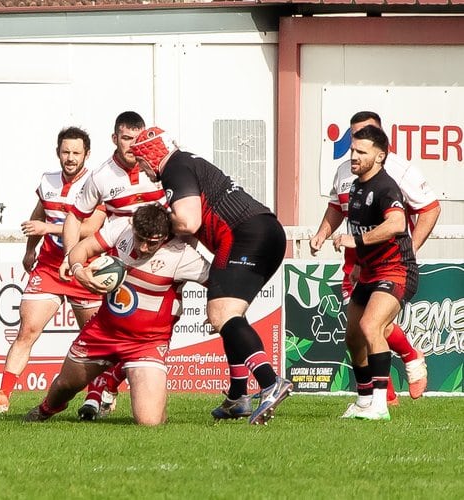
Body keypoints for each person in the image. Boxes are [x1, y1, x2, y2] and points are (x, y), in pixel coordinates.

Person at [130, 126, 290, 425]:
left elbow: (188, 223)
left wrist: (162, 222)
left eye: (140, 162)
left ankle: (270, 382)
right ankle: (238, 396)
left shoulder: (174, 168)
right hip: (267, 232)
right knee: (228, 316)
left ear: (150, 156)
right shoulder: (187, 163)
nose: (140, 169)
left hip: (243, 234)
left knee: (221, 315)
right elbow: (192, 232)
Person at [24, 204, 210, 426]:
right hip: (102, 332)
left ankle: (116, 375)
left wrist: (219, 311)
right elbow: (81, 250)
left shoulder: (181, 255)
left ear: (166, 236)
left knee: (149, 422)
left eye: (152, 242)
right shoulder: (121, 227)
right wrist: (78, 271)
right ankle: (45, 409)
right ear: (133, 227)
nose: (143, 247)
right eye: (140, 238)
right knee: (65, 385)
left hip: (147, 343)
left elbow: (222, 283)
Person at [310, 111, 438, 402]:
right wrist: (322, 233)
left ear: (380, 144)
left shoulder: (396, 173)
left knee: (372, 326)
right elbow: (337, 207)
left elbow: (428, 208)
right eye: (353, 141)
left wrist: (411, 247)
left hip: (390, 262)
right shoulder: (348, 174)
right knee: (358, 335)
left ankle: (391, 384)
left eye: (363, 141)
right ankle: (376, 398)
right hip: (359, 263)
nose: (355, 150)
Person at [0, 127, 105, 414]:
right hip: (49, 267)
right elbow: (38, 215)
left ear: (87, 154)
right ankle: (4, 394)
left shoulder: (96, 183)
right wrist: (29, 249)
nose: (70, 158)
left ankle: (96, 398)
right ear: (57, 152)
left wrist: (46, 228)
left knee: (93, 337)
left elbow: (88, 228)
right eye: (65, 152)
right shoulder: (48, 181)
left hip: (83, 268)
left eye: (76, 153)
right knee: (28, 329)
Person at [58, 111, 167, 420]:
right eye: (126, 138)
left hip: (164, 263)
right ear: (115, 139)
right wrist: (71, 256)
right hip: (124, 265)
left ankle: (105, 385)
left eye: (138, 138)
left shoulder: (158, 168)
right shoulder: (102, 176)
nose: (133, 145)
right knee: (122, 329)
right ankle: (95, 393)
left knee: (152, 330)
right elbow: (75, 216)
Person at [329, 125, 418, 421]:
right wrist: (356, 264)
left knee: (371, 326)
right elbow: (362, 229)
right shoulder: (355, 186)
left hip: (396, 270)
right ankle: (364, 399)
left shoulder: (385, 187)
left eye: (360, 152)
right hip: (368, 271)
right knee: (353, 338)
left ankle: (381, 404)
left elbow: (395, 224)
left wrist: (357, 242)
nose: (353, 156)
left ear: (379, 156)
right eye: (352, 150)